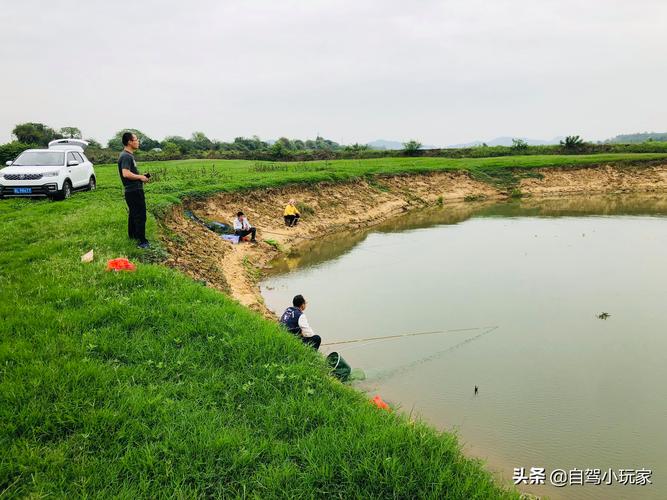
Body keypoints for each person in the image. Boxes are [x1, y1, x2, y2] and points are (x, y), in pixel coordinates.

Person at [118, 132, 150, 248]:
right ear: (129, 142)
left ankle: (133, 237)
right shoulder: (126, 156)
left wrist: (141, 177)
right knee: (140, 216)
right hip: (134, 191)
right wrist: (141, 177)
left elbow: (130, 173)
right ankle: (142, 242)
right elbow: (126, 174)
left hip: (132, 190)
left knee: (133, 214)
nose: (138, 141)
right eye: (136, 139)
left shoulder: (127, 155)